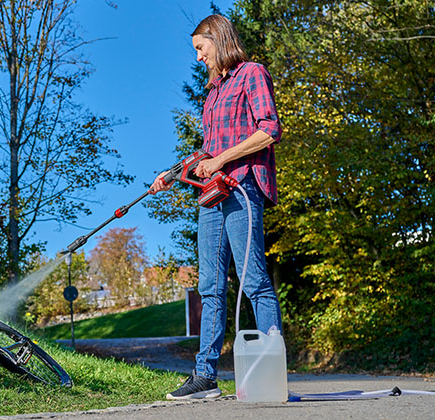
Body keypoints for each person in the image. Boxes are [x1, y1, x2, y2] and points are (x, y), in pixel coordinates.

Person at [150, 14, 284, 400]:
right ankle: (205, 376)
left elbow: (269, 129)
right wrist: (174, 173)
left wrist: (223, 159)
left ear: (218, 39)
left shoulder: (252, 74)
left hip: (242, 188)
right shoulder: (213, 92)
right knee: (209, 286)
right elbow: (205, 153)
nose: (197, 57)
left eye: (199, 48)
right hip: (212, 196)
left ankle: (270, 368)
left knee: (254, 280)